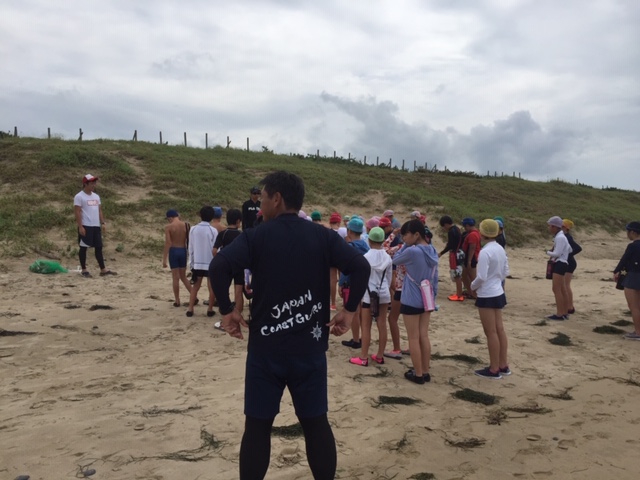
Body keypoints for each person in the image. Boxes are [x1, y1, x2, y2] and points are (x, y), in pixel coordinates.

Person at [209, 171, 370, 480]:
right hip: (309, 350)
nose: (260, 206)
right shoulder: (323, 236)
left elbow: (218, 267)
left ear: (277, 199)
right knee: (316, 424)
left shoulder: (256, 236)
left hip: (265, 351)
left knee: (257, 427)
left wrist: (227, 310)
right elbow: (360, 267)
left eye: (263, 199)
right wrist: (349, 311)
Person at [392, 220, 439, 384]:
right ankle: (425, 371)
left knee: (413, 338)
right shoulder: (432, 250)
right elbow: (435, 277)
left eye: (406, 235)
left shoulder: (413, 251)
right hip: (427, 297)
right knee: (423, 335)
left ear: (416, 234)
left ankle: (418, 374)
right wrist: (433, 297)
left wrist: (405, 245)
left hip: (411, 297)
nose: (404, 238)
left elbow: (395, 259)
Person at [470, 219, 510, 379]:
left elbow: (481, 276)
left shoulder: (485, 252)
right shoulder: (500, 248)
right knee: (499, 329)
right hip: (498, 291)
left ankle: (494, 368)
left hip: (487, 293)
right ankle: (503, 364)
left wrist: (472, 286)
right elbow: (506, 271)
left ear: (482, 233)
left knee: (491, 332)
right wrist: (496, 280)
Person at [349, 227, 392, 367]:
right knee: (382, 324)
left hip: (369, 294)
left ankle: (363, 357)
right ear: (383, 240)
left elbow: (361, 278)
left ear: (369, 240)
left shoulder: (366, 257)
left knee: (366, 326)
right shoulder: (387, 257)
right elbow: (389, 278)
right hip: (383, 293)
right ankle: (380, 356)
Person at [73, 174, 116, 278]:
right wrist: (80, 226)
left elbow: (99, 210)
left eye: (94, 183)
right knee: (83, 247)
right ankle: (84, 270)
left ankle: (103, 269)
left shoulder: (96, 196)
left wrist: (102, 222)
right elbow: (77, 212)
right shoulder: (79, 196)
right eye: (92, 183)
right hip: (86, 225)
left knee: (99, 247)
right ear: (85, 184)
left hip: (95, 225)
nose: (94, 185)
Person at [339, 217, 370, 349]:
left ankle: (356, 339)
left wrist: (341, 283)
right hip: (365, 282)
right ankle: (364, 336)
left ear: (349, 231)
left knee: (354, 311)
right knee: (363, 311)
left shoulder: (350, 247)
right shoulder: (366, 246)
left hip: (351, 282)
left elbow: (345, 268)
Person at [186, 206, 218, 317]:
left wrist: (191, 263)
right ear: (212, 217)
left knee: (195, 286)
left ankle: (190, 308)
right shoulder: (213, 230)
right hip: (210, 262)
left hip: (197, 262)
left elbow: (190, 247)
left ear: (200, 215)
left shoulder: (193, 229)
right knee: (211, 286)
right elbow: (216, 248)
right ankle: (210, 309)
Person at [213, 208, 244, 315]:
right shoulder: (241, 234)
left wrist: (219, 259)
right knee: (238, 291)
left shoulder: (223, 233)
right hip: (239, 265)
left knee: (224, 290)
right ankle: (238, 313)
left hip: (226, 264)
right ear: (238, 221)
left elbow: (214, 250)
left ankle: (227, 312)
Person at [613, 221, 640, 340]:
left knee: (634, 306)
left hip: (633, 276)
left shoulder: (632, 246)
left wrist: (616, 271)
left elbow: (624, 260)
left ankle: (638, 332)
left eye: (628, 231)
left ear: (633, 232)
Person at [163, 209, 192, 307]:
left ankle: (177, 300)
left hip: (174, 251)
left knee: (175, 277)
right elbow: (189, 240)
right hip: (183, 251)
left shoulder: (169, 227)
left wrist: (164, 259)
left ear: (170, 218)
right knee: (183, 276)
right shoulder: (186, 225)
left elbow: (168, 243)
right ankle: (193, 296)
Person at [546, 216, 572, 320]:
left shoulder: (560, 237)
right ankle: (564, 312)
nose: (549, 228)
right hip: (563, 263)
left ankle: (560, 313)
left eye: (550, 226)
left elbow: (557, 253)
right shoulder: (562, 236)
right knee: (562, 289)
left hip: (560, 263)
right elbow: (569, 249)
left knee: (556, 289)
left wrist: (547, 252)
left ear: (554, 227)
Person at [438, 215, 464, 301]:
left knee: (457, 275)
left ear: (446, 224)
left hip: (455, 254)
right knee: (458, 274)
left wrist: (441, 253)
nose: (444, 228)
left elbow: (450, 245)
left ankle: (459, 295)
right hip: (460, 252)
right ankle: (459, 293)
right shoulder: (457, 229)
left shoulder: (451, 231)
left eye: (443, 226)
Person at [562, 219, 582, 315]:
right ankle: (567, 305)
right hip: (567, 262)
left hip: (570, 263)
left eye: (562, 226)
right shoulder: (563, 237)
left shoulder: (568, 237)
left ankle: (570, 307)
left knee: (566, 285)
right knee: (564, 285)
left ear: (566, 228)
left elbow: (578, 248)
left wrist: (568, 254)